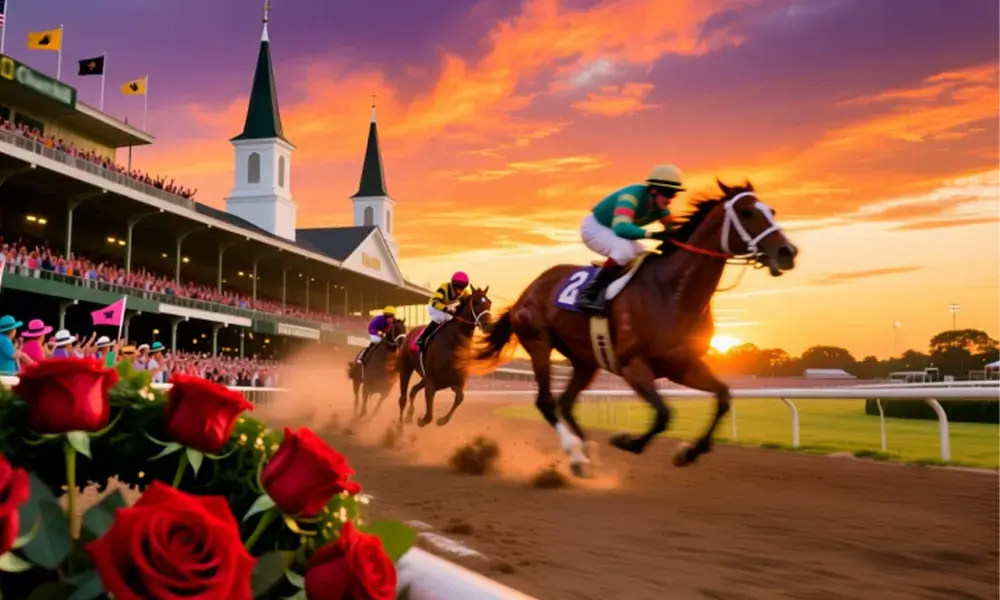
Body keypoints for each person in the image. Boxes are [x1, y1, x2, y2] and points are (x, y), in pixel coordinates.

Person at [575, 164, 685, 313]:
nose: (670, 199)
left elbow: (673, 229)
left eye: (673, 194)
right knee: (625, 252)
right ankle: (589, 293)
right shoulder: (631, 196)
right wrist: (653, 235)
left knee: (647, 257)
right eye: (668, 193)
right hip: (595, 227)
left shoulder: (660, 208)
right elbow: (621, 228)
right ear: (653, 190)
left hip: (613, 230)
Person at [416, 271, 471, 350]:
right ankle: (422, 338)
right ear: (453, 285)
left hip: (446, 307)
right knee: (440, 318)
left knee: (451, 318)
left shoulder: (464, 292)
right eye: (458, 287)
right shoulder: (444, 287)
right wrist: (446, 309)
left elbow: (469, 301)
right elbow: (435, 302)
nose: (460, 290)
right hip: (434, 306)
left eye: (462, 288)